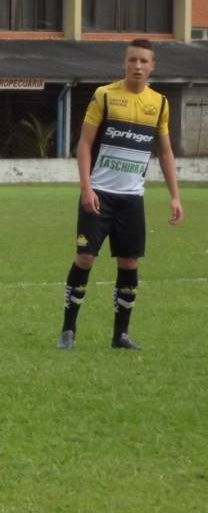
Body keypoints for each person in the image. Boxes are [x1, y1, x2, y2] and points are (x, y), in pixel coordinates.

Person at [57, 39, 183, 351]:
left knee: (129, 264)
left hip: (131, 199)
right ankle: (68, 330)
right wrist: (86, 188)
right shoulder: (106, 96)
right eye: (132, 60)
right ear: (124, 64)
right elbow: (84, 145)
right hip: (99, 194)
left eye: (143, 61)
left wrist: (175, 196)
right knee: (85, 258)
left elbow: (165, 153)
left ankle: (121, 335)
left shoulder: (160, 104)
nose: (137, 66)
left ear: (152, 66)